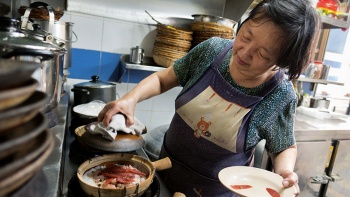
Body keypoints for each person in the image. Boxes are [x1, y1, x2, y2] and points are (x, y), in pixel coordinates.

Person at [98, 0, 321, 196]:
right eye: (246, 36)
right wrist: (130, 99)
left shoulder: (280, 94)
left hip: (216, 192)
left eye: (262, 54)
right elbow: (164, 78)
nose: (244, 52)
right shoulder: (212, 50)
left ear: (281, 61)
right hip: (163, 171)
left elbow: (283, 146)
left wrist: (284, 172)